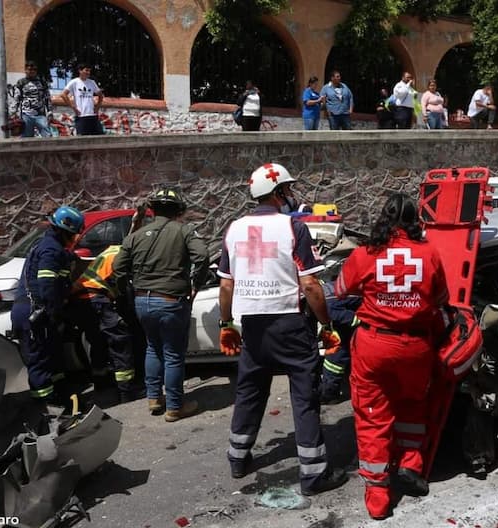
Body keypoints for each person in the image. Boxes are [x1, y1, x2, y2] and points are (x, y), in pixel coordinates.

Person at [218, 162, 349, 496]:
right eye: (288, 190)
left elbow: (226, 288)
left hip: (253, 327)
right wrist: (327, 325)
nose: (291, 195)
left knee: (249, 391)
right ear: (278, 193)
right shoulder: (293, 228)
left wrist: (225, 325)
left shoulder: (233, 229)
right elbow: (311, 286)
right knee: (304, 397)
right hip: (290, 323)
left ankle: (238, 457)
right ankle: (313, 475)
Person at [334, 192, 450, 519]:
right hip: (416, 346)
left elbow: (341, 289)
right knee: (413, 405)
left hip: (374, 345)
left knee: (373, 416)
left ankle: (378, 497)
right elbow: (442, 297)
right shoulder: (429, 254)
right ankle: (411, 465)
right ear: (415, 220)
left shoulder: (366, 253)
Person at [112, 188, 209, 422]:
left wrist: (130, 287)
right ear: (178, 210)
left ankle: (154, 398)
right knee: (173, 355)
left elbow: (117, 267)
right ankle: (175, 406)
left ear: (153, 209)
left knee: (152, 348)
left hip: (142, 301)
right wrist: (196, 283)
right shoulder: (184, 231)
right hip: (170, 301)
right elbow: (203, 257)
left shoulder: (136, 235)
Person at [68, 208, 148, 404]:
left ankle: (102, 382)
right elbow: (121, 282)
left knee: (98, 341)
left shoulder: (115, 249)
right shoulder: (122, 256)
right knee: (120, 339)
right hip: (96, 298)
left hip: (81, 299)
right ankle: (127, 390)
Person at [11, 206, 84, 406]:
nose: (75, 238)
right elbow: (47, 286)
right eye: (74, 234)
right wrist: (54, 313)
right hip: (35, 313)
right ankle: (47, 410)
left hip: (36, 312)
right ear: (65, 231)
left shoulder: (50, 246)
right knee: (40, 363)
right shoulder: (51, 249)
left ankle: (61, 398)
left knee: (53, 357)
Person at [319, 280, 361, 404]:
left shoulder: (325, 301)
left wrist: (363, 321)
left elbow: (333, 313)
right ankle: (330, 391)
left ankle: (329, 393)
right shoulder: (324, 292)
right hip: (339, 320)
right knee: (334, 355)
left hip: (345, 319)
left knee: (335, 357)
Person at [62, 63, 104, 136]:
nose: (88, 73)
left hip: (93, 115)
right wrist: (73, 107)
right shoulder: (74, 82)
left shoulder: (92, 82)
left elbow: (101, 95)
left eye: (89, 71)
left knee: (99, 138)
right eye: (86, 70)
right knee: (82, 140)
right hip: (81, 116)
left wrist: (97, 107)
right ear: (80, 71)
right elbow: (63, 95)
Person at [15, 61, 52, 138]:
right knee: (27, 137)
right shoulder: (21, 82)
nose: (31, 71)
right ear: (25, 70)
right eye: (29, 69)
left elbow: (47, 98)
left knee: (47, 135)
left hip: (40, 114)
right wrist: (14, 113)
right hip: (26, 115)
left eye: (34, 69)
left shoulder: (42, 82)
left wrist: (49, 111)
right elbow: (17, 99)